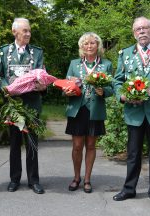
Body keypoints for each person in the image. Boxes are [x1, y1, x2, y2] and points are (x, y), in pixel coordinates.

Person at [0, 18, 46, 194]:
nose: (28, 34)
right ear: (14, 32)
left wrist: (41, 84)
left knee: (32, 143)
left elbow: (41, 74)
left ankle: (34, 180)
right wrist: (5, 87)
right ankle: (14, 179)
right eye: (25, 31)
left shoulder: (37, 52)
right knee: (14, 144)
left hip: (31, 104)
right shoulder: (2, 52)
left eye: (29, 31)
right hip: (13, 105)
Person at [63, 32, 113, 193]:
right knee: (77, 146)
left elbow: (112, 88)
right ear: (81, 47)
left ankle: (87, 179)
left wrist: (103, 91)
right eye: (86, 44)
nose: (89, 46)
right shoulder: (74, 64)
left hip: (95, 110)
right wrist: (68, 91)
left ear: (98, 46)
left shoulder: (106, 64)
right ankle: (76, 177)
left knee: (91, 145)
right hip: (78, 109)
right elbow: (65, 86)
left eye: (92, 43)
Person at [113, 16, 150, 201]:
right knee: (133, 154)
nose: (142, 31)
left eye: (145, 28)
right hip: (134, 112)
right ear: (133, 33)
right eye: (138, 29)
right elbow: (117, 80)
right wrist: (122, 95)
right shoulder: (125, 53)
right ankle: (129, 189)